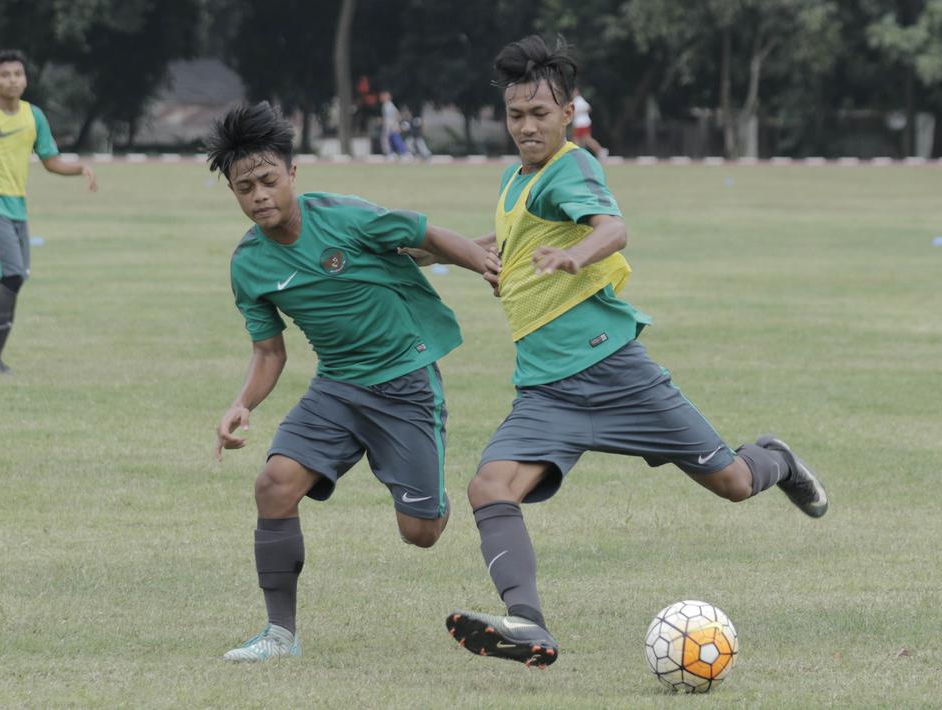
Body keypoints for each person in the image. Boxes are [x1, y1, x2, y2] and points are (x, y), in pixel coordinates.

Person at [441, 36, 829, 668]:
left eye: (540, 114)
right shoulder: (516, 181)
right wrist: (429, 248)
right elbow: (502, 239)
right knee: (489, 487)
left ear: (568, 113)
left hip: (617, 374)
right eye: (516, 115)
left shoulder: (574, 165)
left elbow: (612, 229)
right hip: (546, 389)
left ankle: (776, 461)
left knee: (732, 482)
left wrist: (575, 256)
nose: (527, 127)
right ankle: (528, 626)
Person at [206, 102, 487, 662]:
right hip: (336, 388)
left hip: (404, 382)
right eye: (244, 188)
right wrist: (242, 405)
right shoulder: (249, 264)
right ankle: (279, 636)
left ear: (292, 174)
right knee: (274, 485)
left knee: (421, 533)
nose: (259, 195)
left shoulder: (345, 217)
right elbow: (268, 351)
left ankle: (431, 495)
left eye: (267, 180)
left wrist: (483, 263)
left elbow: (424, 231)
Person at [0, 49, 97, 375]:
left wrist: (79, 166)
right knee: (12, 275)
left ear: (25, 80)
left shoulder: (34, 116)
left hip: (17, 208)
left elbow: (51, 161)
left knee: (17, 278)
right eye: (5, 75)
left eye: (18, 74)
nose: (13, 79)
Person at [570, 87, 606, 159]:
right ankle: (600, 151)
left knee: (577, 139)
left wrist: (577, 113)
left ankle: (577, 155)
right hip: (584, 122)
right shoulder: (579, 100)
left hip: (580, 124)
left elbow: (588, 109)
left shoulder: (577, 100)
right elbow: (588, 109)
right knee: (586, 139)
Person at [379, 91, 408, 159]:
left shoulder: (389, 105)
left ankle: (393, 153)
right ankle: (397, 153)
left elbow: (397, 115)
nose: (382, 98)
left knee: (388, 138)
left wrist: (396, 124)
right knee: (393, 138)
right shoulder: (386, 105)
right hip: (390, 123)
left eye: (384, 96)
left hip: (390, 123)